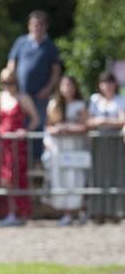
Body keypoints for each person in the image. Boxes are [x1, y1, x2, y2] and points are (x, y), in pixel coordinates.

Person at [7, 10, 61, 157]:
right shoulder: (21, 42)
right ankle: (21, 160)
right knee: (20, 126)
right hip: (22, 95)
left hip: (40, 96)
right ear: (29, 26)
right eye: (35, 24)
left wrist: (48, 88)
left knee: (39, 127)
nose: (37, 28)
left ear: (45, 27)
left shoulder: (50, 46)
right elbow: (11, 64)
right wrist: (10, 85)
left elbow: (56, 70)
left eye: (40, 25)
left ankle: (37, 160)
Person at [0, 67, 39, 226]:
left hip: (17, 146)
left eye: (10, 82)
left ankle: (20, 213)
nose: (7, 86)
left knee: (16, 178)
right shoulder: (1, 97)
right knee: (4, 179)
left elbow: (35, 119)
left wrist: (25, 131)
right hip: (3, 145)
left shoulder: (23, 98)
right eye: (4, 82)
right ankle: (10, 212)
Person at [42, 75, 89, 225]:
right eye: (65, 85)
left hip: (76, 147)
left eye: (70, 85)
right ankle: (67, 213)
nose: (68, 88)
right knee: (61, 179)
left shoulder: (80, 105)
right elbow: (48, 126)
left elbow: (85, 126)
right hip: (60, 148)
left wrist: (69, 129)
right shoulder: (54, 104)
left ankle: (80, 211)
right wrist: (56, 130)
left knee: (76, 178)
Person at [86, 71, 125, 221]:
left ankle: (116, 211)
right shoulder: (95, 100)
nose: (107, 86)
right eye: (104, 83)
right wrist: (102, 121)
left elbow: (122, 120)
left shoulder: (120, 100)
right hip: (98, 143)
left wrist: (102, 121)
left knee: (115, 175)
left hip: (115, 144)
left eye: (110, 82)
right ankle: (98, 211)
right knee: (98, 175)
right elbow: (88, 121)